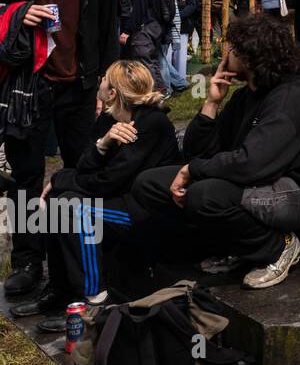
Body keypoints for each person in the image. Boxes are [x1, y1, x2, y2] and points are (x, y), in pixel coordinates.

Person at [129, 14, 300, 290]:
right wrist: (211, 103)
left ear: (249, 56)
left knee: (204, 196)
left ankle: (279, 248)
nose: (224, 52)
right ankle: (231, 248)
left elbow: (252, 164)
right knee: (149, 184)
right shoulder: (246, 97)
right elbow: (197, 154)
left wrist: (194, 171)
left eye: (230, 48)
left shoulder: (290, 99)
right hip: (262, 182)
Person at [0, 0, 118, 299]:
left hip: (81, 83)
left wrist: (107, 76)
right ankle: (29, 260)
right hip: (28, 85)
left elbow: (108, 19)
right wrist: (16, 11)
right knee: (27, 176)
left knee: (80, 172)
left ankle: (71, 265)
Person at [12, 60, 180, 329]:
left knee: (73, 208)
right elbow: (85, 165)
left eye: (103, 79)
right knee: (58, 202)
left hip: (148, 212)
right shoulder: (109, 118)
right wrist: (102, 145)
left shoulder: (151, 123)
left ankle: (94, 298)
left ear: (112, 92)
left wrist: (59, 179)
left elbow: (107, 181)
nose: (99, 81)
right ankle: (61, 289)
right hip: (120, 200)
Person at [119, 0, 171, 92]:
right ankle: (160, 90)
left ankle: (157, 91)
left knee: (145, 61)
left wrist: (127, 31)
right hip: (156, 27)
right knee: (152, 61)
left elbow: (138, 10)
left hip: (146, 28)